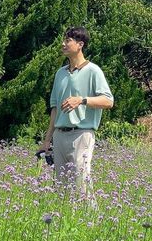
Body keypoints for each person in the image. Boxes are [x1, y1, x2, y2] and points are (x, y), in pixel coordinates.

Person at [37, 26, 113, 197]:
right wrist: (47, 140)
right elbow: (55, 109)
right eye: (63, 40)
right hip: (59, 136)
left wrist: (82, 100)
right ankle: (64, 221)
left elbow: (108, 101)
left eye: (67, 41)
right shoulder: (60, 74)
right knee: (61, 188)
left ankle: (91, 221)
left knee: (81, 184)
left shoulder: (93, 71)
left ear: (80, 44)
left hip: (82, 134)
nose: (63, 44)